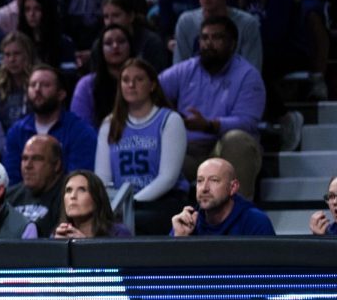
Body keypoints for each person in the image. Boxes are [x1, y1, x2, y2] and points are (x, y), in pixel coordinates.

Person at [159, 16, 266, 200]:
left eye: (217, 38)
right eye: (204, 38)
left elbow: (248, 122)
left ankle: (238, 218)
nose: (209, 43)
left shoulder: (248, 75)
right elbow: (152, 89)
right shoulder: (185, 70)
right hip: (188, 151)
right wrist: (171, 114)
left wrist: (209, 125)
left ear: (232, 44)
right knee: (155, 149)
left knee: (238, 140)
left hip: (223, 149)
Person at [96, 59, 189, 235]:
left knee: (133, 223)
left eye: (139, 79)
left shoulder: (170, 120)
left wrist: (130, 202)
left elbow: (167, 178)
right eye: (125, 80)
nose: (131, 85)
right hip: (120, 203)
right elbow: (102, 178)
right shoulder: (109, 123)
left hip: (162, 201)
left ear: (152, 85)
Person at [2, 64, 97, 185]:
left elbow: (78, 180)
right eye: (32, 85)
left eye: (45, 85)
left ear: (61, 94)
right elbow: (11, 180)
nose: (37, 89)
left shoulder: (81, 132)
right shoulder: (16, 131)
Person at [171, 158, 275, 236]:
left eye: (214, 180)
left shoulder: (255, 221)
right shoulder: (187, 221)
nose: (204, 188)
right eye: (200, 180)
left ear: (233, 187)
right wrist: (179, 238)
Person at [5, 134, 65, 237]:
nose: (28, 165)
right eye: (24, 158)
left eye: (37, 159)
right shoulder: (8, 197)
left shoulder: (67, 197)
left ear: (56, 164)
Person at [52, 170, 133, 238]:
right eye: (68, 190)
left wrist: (83, 246)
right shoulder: (58, 235)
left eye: (82, 190)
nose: (72, 196)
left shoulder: (119, 234)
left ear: (97, 198)